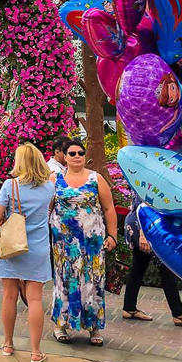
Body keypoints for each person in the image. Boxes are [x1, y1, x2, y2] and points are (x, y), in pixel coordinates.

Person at [0, 143, 55, 362]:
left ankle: (8, 343)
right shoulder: (49, 188)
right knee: (35, 298)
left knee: (9, 295)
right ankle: (36, 351)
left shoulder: (10, 186)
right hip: (38, 248)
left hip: (12, 245)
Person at [50, 139, 118, 347]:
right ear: (64, 156)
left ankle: (94, 327)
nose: (77, 156)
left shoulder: (95, 179)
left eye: (80, 152)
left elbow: (109, 209)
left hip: (92, 242)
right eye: (72, 153)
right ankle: (60, 324)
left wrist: (112, 236)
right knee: (64, 280)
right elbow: (46, 207)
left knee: (93, 281)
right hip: (63, 244)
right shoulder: (55, 178)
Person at [123, 194, 182, 326]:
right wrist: (144, 234)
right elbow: (143, 203)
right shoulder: (150, 176)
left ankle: (129, 307)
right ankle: (179, 314)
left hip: (146, 224)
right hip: (144, 225)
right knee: (166, 267)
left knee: (139, 265)